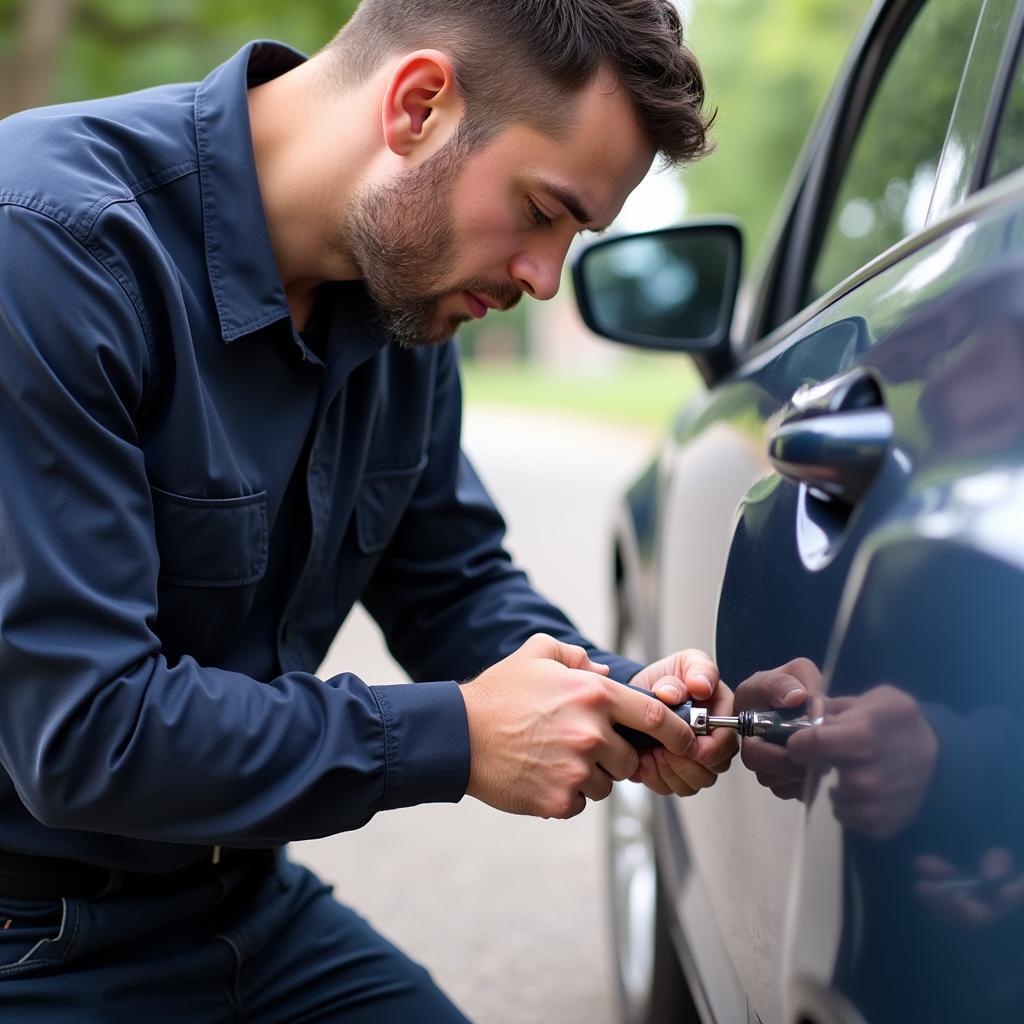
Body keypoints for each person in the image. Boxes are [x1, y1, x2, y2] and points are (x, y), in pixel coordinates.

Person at [0, 1, 737, 1019]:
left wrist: (619, 698)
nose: (542, 276)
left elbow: (451, 583)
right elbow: (86, 735)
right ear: (419, 104)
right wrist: (456, 736)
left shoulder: (403, 296)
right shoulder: (46, 243)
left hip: (244, 904)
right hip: (32, 936)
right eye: (540, 210)